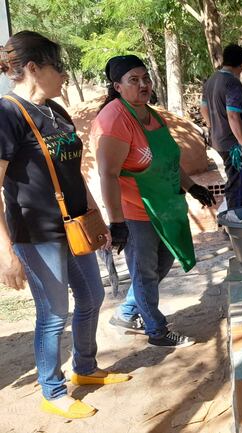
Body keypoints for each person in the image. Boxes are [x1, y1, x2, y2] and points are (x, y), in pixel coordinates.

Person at [0, 31, 130, 419]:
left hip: (76, 227)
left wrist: (98, 216)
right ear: (33, 68)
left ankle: (85, 367)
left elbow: (72, 172)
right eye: (59, 67)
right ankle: (52, 389)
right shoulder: (8, 114)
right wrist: (5, 250)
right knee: (54, 313)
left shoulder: (57, 112)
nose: (65, 75)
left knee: (92, 296)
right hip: (35, 233)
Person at [92, 55, 215, 348]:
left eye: (145, 78)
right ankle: (157, 330)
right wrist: (117, 223)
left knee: (163, 262)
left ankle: (126, 313)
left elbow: (167, 161)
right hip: (137, 210)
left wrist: (192, 187)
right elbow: (108, 174)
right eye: (134, 80)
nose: (143, 84)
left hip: (165, 208)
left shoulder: (151, 114)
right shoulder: (115, 119)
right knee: (145, 272)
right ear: (118, 86)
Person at [201, 44, 242, 209]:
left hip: (219, 140)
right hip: (233, 145)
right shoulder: (232, 83)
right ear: (241, 64)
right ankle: (234, 225)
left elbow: (203, 108)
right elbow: (233, 115)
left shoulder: (210, 81)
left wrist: (214, 127)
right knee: (237, 185)